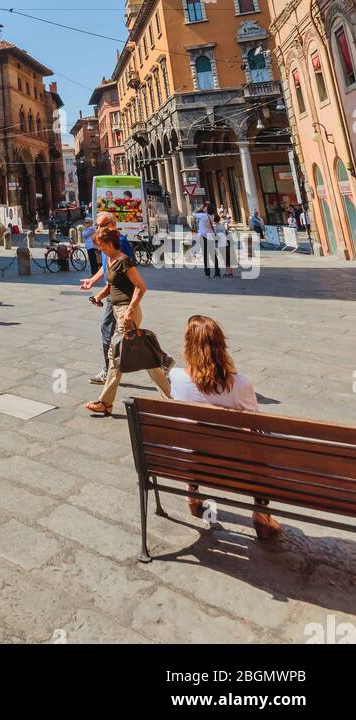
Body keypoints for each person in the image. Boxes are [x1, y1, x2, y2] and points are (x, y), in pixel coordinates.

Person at [169, 315, 281, 541]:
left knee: (194, 437)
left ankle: (192, 496)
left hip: (192, 460)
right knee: (261, 445)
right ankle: (260, 513)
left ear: (188, 345)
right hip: (236, 465)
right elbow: (254, 424)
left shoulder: (176, 378)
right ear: (221, 345)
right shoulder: (240, 384)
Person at [84, 225, 170, 416]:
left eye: (100, 245)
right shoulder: (109, 259)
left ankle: (105, 403)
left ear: (108, 243)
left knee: (115, 357)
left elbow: (141, 287)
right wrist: (98, 296)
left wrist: (130, 309)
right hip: (117, 310)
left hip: (126, 313)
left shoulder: (124, 261)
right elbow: (110, 285)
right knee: (140, 355)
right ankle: (165, 379)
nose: (98, 249)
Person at [80, 211, 133, 386]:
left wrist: (101, 294)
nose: (98, 228)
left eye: (102, 225)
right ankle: (162, 360)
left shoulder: (120, 242)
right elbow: (107, 267)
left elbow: (118, 273)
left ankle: (107, 370)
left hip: (120, 294)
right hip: (115, 292)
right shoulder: (105, 240)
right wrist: (92, 280)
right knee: (130, 333)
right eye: (97, 225)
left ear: (113, 224)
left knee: (108, 329)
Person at [195, 202, 218, 277]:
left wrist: (200, 208)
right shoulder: (212, 216)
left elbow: (193, 213)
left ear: (206, 209)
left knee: (205, 255)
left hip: (203, 236)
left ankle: (207, 272)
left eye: (205, 208)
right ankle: (217, 271)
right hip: (210, 235)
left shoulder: (202, 215)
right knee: (213, 254)